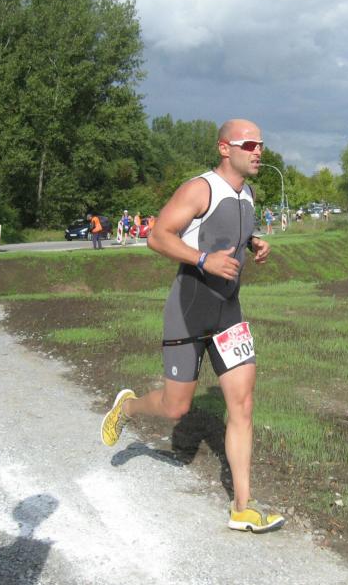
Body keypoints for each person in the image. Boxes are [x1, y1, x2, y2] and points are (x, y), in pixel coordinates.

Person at [100, 118, 284, 533]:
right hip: (188, 310)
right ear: (224, 148)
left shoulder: (248, 194)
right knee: (176, 407)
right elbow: (157, 236)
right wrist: (203, 260)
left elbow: (228, 231)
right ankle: (127, 407)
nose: (258, 151)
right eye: (249, 144)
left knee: (242, 404)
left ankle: (243, 506)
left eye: (261, 144)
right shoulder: (200, 189)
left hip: (229, 314)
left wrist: (254, 242)